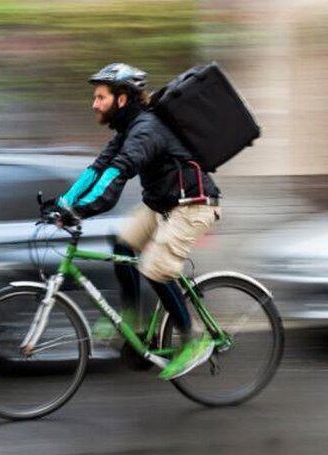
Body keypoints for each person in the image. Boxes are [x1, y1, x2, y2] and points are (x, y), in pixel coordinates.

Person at [48, 63, 222, 380]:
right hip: (163, 204)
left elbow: (118, 174)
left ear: (122, 100)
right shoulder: (127, 129)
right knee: (123, 243)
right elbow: (99, 168)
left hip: (193, 205)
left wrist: (83, 210)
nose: (94, 104)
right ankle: (133, 323)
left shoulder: (146, 130)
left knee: (155, 268)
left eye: (100, 97)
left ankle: (194, 339)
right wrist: (64, 203)